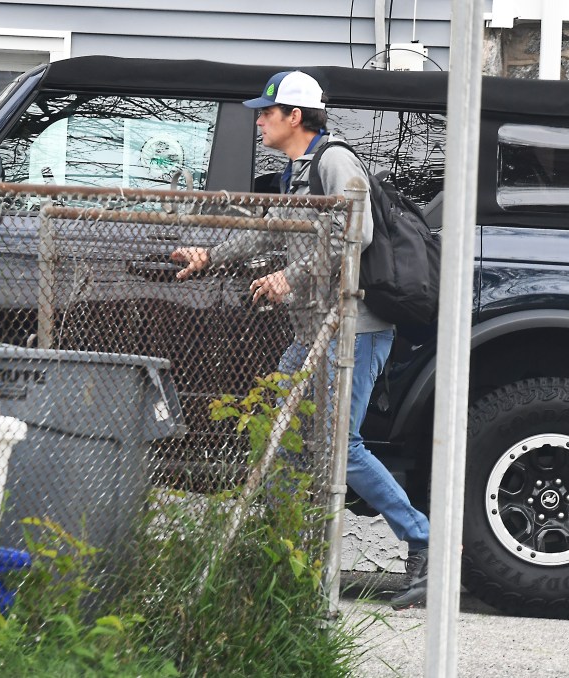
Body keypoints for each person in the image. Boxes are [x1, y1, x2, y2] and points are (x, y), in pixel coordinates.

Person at [170, 70, 429, 609]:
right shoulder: (296, 171)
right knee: (280, 436)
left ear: (295, 117)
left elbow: (357, 233)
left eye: (267, 111)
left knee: (341, 448)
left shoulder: (335, 161)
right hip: (312, 333)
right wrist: (209, 255)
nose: (258, 119)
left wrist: (293, 277)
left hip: (352, 331)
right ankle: (286, 545)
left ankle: (427, 545)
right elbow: (268, 232)